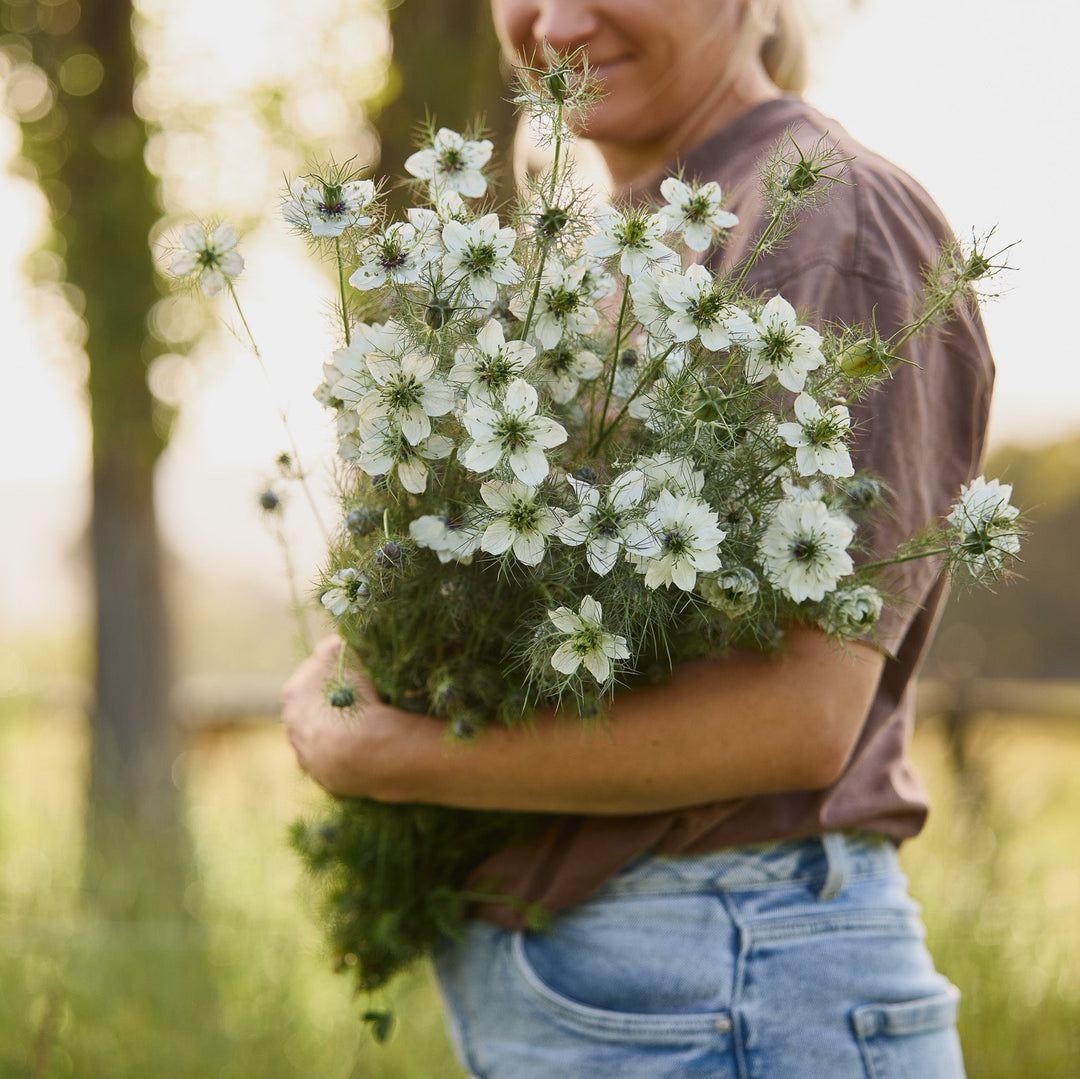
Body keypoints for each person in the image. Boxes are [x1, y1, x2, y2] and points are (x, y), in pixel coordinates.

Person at [283, 1, 994, 1075]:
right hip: (654, 986)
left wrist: (399, 759)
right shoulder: (620, 232)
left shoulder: (826, 219)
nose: (557, 20)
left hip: (728, 980)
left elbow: (800, 717)